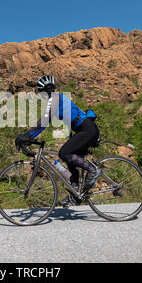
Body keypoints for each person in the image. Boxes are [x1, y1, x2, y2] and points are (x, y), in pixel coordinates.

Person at [15, 74, 102, 207]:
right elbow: (45, 120)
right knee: (71, 162)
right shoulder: (57, 98)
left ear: (42, 93)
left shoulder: (54, 99)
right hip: (85, 129)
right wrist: (29, 136)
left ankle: (93, 171)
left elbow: (44, 120)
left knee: (64, 153)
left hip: (87, 129)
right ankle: (75, 194)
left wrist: (27, 136)